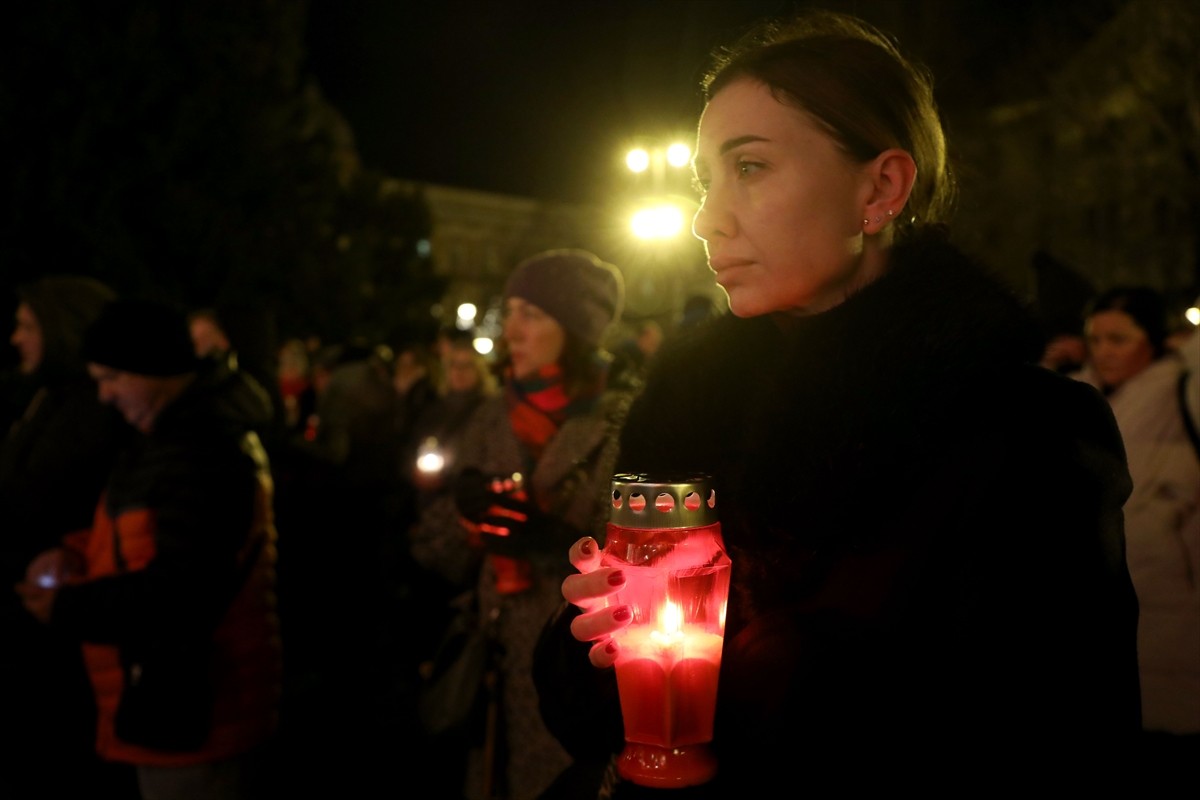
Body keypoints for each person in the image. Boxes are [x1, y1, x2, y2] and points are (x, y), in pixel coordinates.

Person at [534, 9, 1140, 795]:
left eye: (749, 168)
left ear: (880, 187)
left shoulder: (1022, 432)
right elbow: (591, 725)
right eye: (703, 180)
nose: (705, 217)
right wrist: (591, 640)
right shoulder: (687, 412)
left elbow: (1063, 744)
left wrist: (789, 676)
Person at [13, 298, 282, 800]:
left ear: (156, 371)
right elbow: (129, 535)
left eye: (113, 377)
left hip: (202, 712)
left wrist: (67, 608)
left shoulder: (203, 452)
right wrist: (73, 555)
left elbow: (181, 590)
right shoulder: (160, 438)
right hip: (171, 705)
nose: (104, 396)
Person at [410, 249, 629, 800]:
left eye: (531, 313)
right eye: (510, 312)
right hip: (496, 664)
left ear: (575, 328)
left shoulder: (620, 422)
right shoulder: (490, 415)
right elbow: (431, 551)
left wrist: (558, 546)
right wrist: (464, 514)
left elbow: (637, 565)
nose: (511, 329)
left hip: (576, 669)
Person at [0, 275, 137, 799]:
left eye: (29, 325)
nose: (16, 338)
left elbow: (36, 499)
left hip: (62, 617)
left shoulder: (90, 412)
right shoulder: (48, 398)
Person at [1071, 286, 1200, 765]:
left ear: (1153, 339)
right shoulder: (1076, 397)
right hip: (1103, 597)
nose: (1104, 352)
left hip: (1173, 605)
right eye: (1095, 339)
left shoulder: (1181, 390)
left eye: (1119, 339)